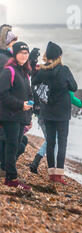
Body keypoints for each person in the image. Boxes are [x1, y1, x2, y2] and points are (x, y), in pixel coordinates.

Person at [32, 42, 78, 184]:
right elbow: (74, 87)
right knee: (62, 143)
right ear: (59, 56)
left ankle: (52, 173)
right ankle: (59, 175)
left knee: (51, 142)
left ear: (48, 56)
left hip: (47, 112)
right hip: (62, 113)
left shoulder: (43, 71)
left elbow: (33, 82)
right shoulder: (64, 70)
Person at [0, 41, 34, 189]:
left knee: (15, 146)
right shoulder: (9, 71)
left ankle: (11, 176)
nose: (23, 55)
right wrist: (20, 104)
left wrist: (29, 115)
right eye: (21, 52)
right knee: (12, 146)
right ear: (15, 54)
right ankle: (11, 178)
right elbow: (3, 94)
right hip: (9, 115)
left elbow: (29, 95)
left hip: (21, 117)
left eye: (26, 53)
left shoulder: (25, 72)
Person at [29, 90, 82, 174]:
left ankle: (38, 162)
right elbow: (70, 95)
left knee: (51, 140)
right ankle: (39, 163)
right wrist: (80, 104)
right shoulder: (60, 79)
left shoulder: (42, 79)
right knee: (53, 140)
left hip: (41, 114)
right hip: (49, 115)